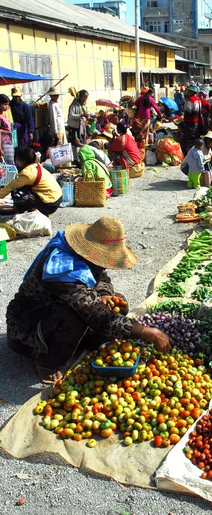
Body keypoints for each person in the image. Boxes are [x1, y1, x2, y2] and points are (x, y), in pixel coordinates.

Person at [6, 217, 171, 382]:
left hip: (58, 308)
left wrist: (105, 293)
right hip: (29, 324)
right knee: (71, 317)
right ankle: (46, 360)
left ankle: (82, 341)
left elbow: (101, 278)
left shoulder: (84, 256)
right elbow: (98, 315)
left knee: (117, 302)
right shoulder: (63, 268)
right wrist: (149, 332)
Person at [0, 146, 62, 215]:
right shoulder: (35, 165)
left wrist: (1, 194)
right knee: (23, 188)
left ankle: (25, 212)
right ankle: (32, 209)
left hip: (50, 204)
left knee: (17, 193)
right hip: (56, 197)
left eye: (17, 159)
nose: (17, 161)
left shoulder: (27, 173)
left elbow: (11, 186)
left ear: (23, 161)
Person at [67, 90, 89, 156]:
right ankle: (74, 158)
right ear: (80, 96)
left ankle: (81, 156)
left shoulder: (85, 105)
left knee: (81, 142)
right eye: (84, 97)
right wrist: (81, 115)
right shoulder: (74, 105)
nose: (85, 99)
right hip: (74, 127)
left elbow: (85, 115)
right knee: (74, 143)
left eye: (86, 97)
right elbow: (71, 115)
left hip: (81, 127)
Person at [182, 83, 202, 154]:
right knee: (194, 138)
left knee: (188, 140)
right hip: (196, 122)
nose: (188, 92)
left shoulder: (190, 100)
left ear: (192, 92)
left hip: (190, 122)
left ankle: (188, 154)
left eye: (189, 91)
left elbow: (188, 112)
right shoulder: (199, 100)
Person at [0, 93, 14, 164]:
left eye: (8, 104)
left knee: (10, 162)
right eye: (5, 104)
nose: (7, 106)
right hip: (3, 143)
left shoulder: (4, 114)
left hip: (9, 141)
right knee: (7, 164)